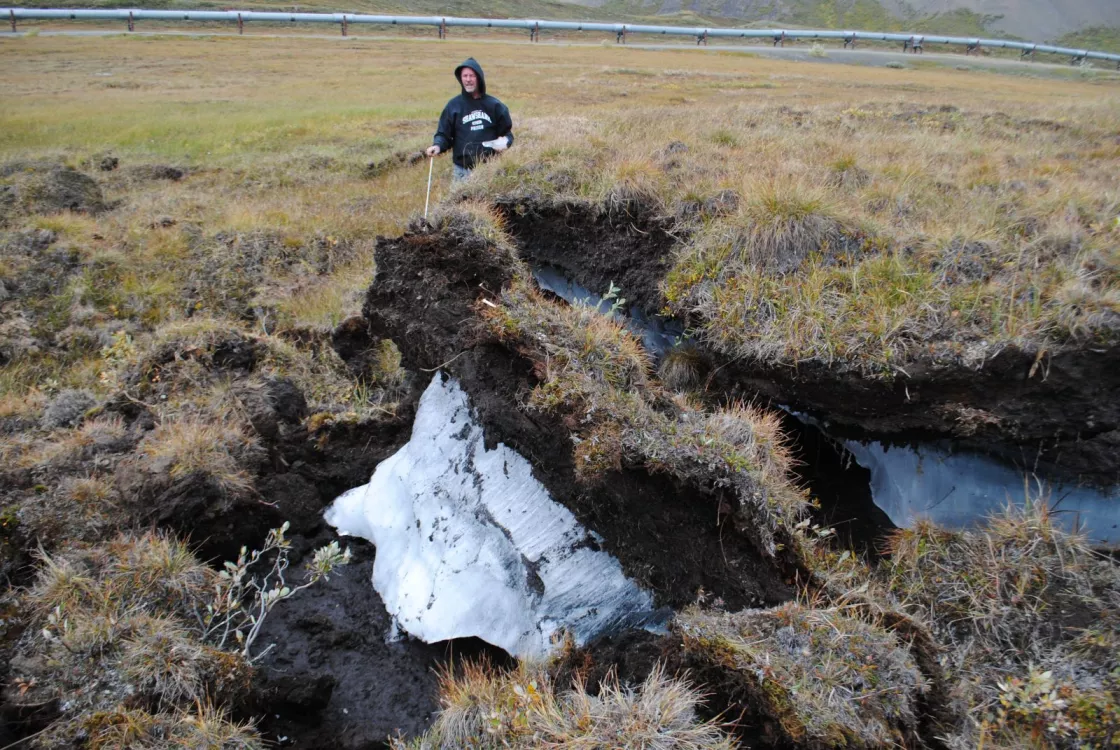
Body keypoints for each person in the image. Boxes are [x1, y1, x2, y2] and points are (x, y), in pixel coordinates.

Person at [426, 58, 514, 182]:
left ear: (479, 78)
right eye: (465, 76)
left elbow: (507, 134)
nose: (468, 80)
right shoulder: (453, 106)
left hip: (489, 170)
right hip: (461, 172)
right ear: (460, 78)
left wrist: (506, 142)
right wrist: (438, 146)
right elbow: (443, 134)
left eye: (472, 76)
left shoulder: (495, 106)